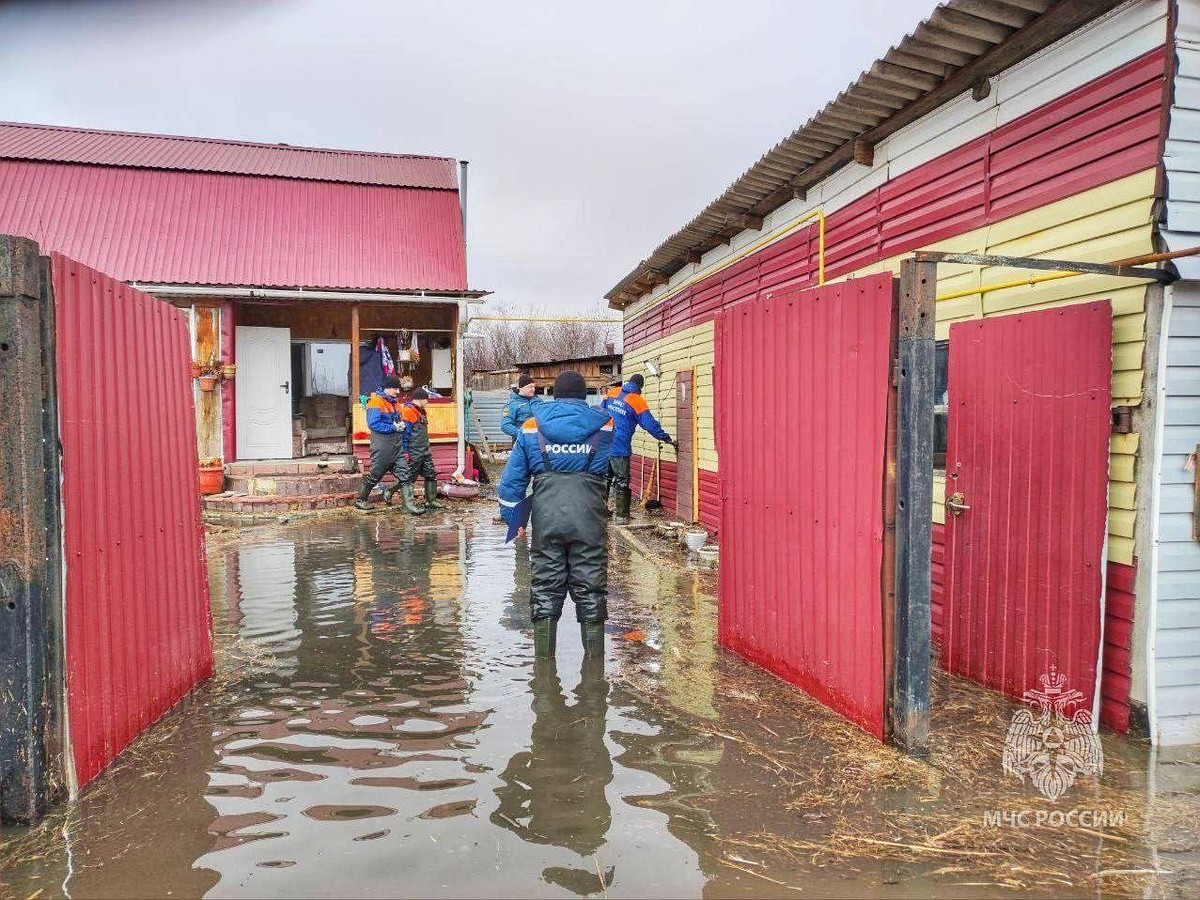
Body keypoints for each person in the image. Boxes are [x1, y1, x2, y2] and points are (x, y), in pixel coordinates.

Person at [498, 371, 613, 658]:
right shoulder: (605, 425)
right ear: (584, 395)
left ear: (555, 394)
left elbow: (512, 482)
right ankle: (594, 672)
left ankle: (544, 673)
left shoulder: (531, 427)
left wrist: (514, 520)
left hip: (546, 518)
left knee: (546, 585)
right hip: (590, 517)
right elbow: (613, 468)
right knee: (591, 585)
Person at [605, 373, 673, 525]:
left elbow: (600, 412)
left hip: (603, 443)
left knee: (604, 479)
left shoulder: (612, 392)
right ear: (640, 387)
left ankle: (600, 512)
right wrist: (665, 438)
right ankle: (622, 516)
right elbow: (649, 424)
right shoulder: (637, 400)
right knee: (622, 480)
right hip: (620, 446)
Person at [355, 375, 419, 512]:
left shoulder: (395, 404)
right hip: (382, 446)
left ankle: (409, 506)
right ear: (387, 388)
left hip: (396, 446)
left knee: (405, 475)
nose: (398, 392)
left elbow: (399, 420)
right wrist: (393, 427)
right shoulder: (375, 402)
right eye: (395, 388)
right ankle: (361, 500)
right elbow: (373, 424)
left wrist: (402, 424)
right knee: (375, 475)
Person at [397, 387, 444, 513]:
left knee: (431, 474)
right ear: (421, 399)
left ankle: (430, 501)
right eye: (426, 399)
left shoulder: (421, 411)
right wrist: (405, 452)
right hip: (414, 451)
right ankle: (392, 493)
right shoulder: (408, 411)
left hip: (425, 450)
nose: (428, 401)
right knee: (409, 477)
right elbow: (405, 434)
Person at [501, 374, 539, 440]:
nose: (533, 389)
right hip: (521, 443)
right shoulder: (512, 405)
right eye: (530, 387)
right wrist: (522, 434)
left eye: (534, 387)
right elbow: (505, 425)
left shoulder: (538, 401)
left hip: (539, 442)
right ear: (521, 388)